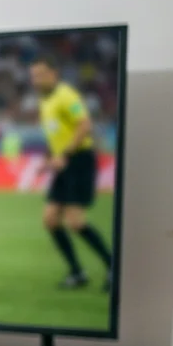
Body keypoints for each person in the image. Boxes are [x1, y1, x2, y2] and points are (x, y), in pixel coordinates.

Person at [29, 56, 114, 291]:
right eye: (33, 76)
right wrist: (49, 159)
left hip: (79, 160)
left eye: (39, 74)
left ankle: (113, 267)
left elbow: (85, 125)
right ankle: (77, 273)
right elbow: (56, 135)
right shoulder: (44, 101)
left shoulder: (66, 95)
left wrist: (64, 154)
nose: (35, 80)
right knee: (50, 219)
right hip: (63, 162)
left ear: (53, 74)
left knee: (75, 221)